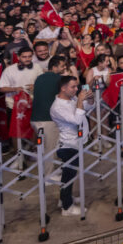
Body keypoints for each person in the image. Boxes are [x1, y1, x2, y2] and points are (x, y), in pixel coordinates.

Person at [49, 75, 95, 216]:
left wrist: (89, 98)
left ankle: (64, 199)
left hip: (77, 143)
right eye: (73, 87)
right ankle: (66, 208)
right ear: (63, 88)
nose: (76, 89)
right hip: (68, 145)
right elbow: (77, 120)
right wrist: (80, 100)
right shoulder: (57, 107)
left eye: (77, 86)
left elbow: (88, 107)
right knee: (68, 176)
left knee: (69, 176)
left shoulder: (72, 98)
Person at [30, 55, 70, 182]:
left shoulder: (39, 78)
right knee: (50, 149)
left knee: (47, 148)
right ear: (54, 66)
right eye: (62, 65)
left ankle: (51, 172)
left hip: (35, 118)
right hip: (48, 119)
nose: (64, 68)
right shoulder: (60, 79)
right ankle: (49, 176)